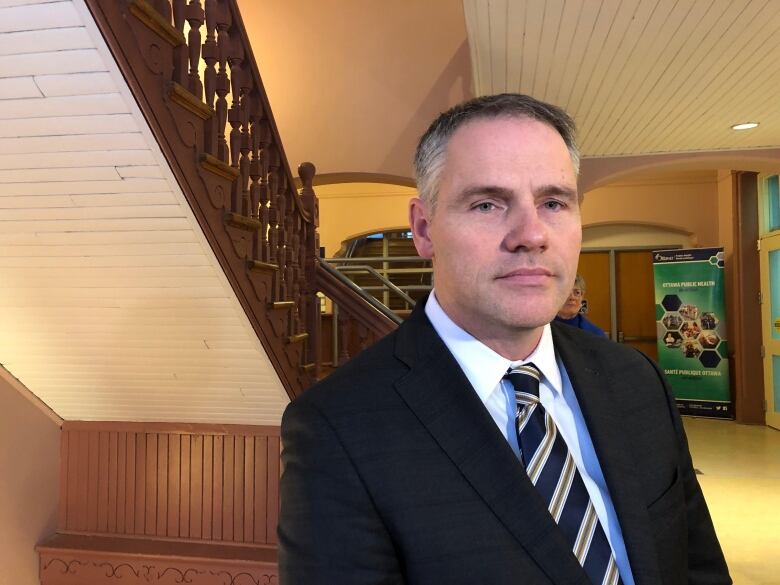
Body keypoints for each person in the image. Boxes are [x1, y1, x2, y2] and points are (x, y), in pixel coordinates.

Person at [278, 94, 731, 585]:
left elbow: (698, 568)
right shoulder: (337, 428)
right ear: (424, 229)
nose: (531, 235)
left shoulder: (635, 379)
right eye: (488, 203)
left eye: (554, 202)